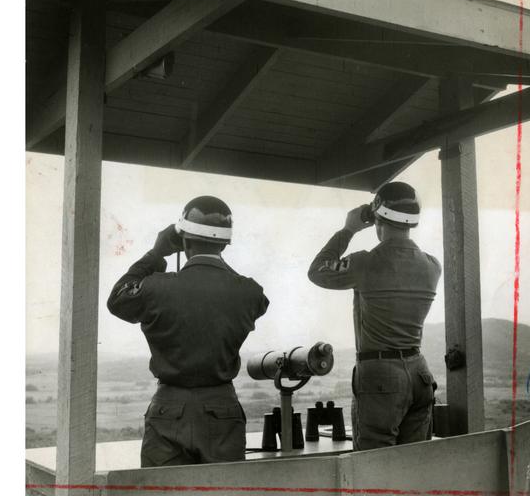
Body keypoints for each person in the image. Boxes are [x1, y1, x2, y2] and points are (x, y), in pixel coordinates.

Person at [107, 196, 269, 467]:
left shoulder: (156, 288)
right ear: (225, 243)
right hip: (222, 409)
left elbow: (117, 299)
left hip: (168, 408)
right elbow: (255, 298)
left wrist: (156, 254)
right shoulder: (248, 292)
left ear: (184, 240)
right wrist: (214, 260)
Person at [307, 181, 442, 451]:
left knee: (373, 468)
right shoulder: (431, 265)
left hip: (381, 378)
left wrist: (348, 229)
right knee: (415, 465)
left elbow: (317, 271)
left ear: (378, 218)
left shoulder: (365, 263)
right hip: (420, 374)